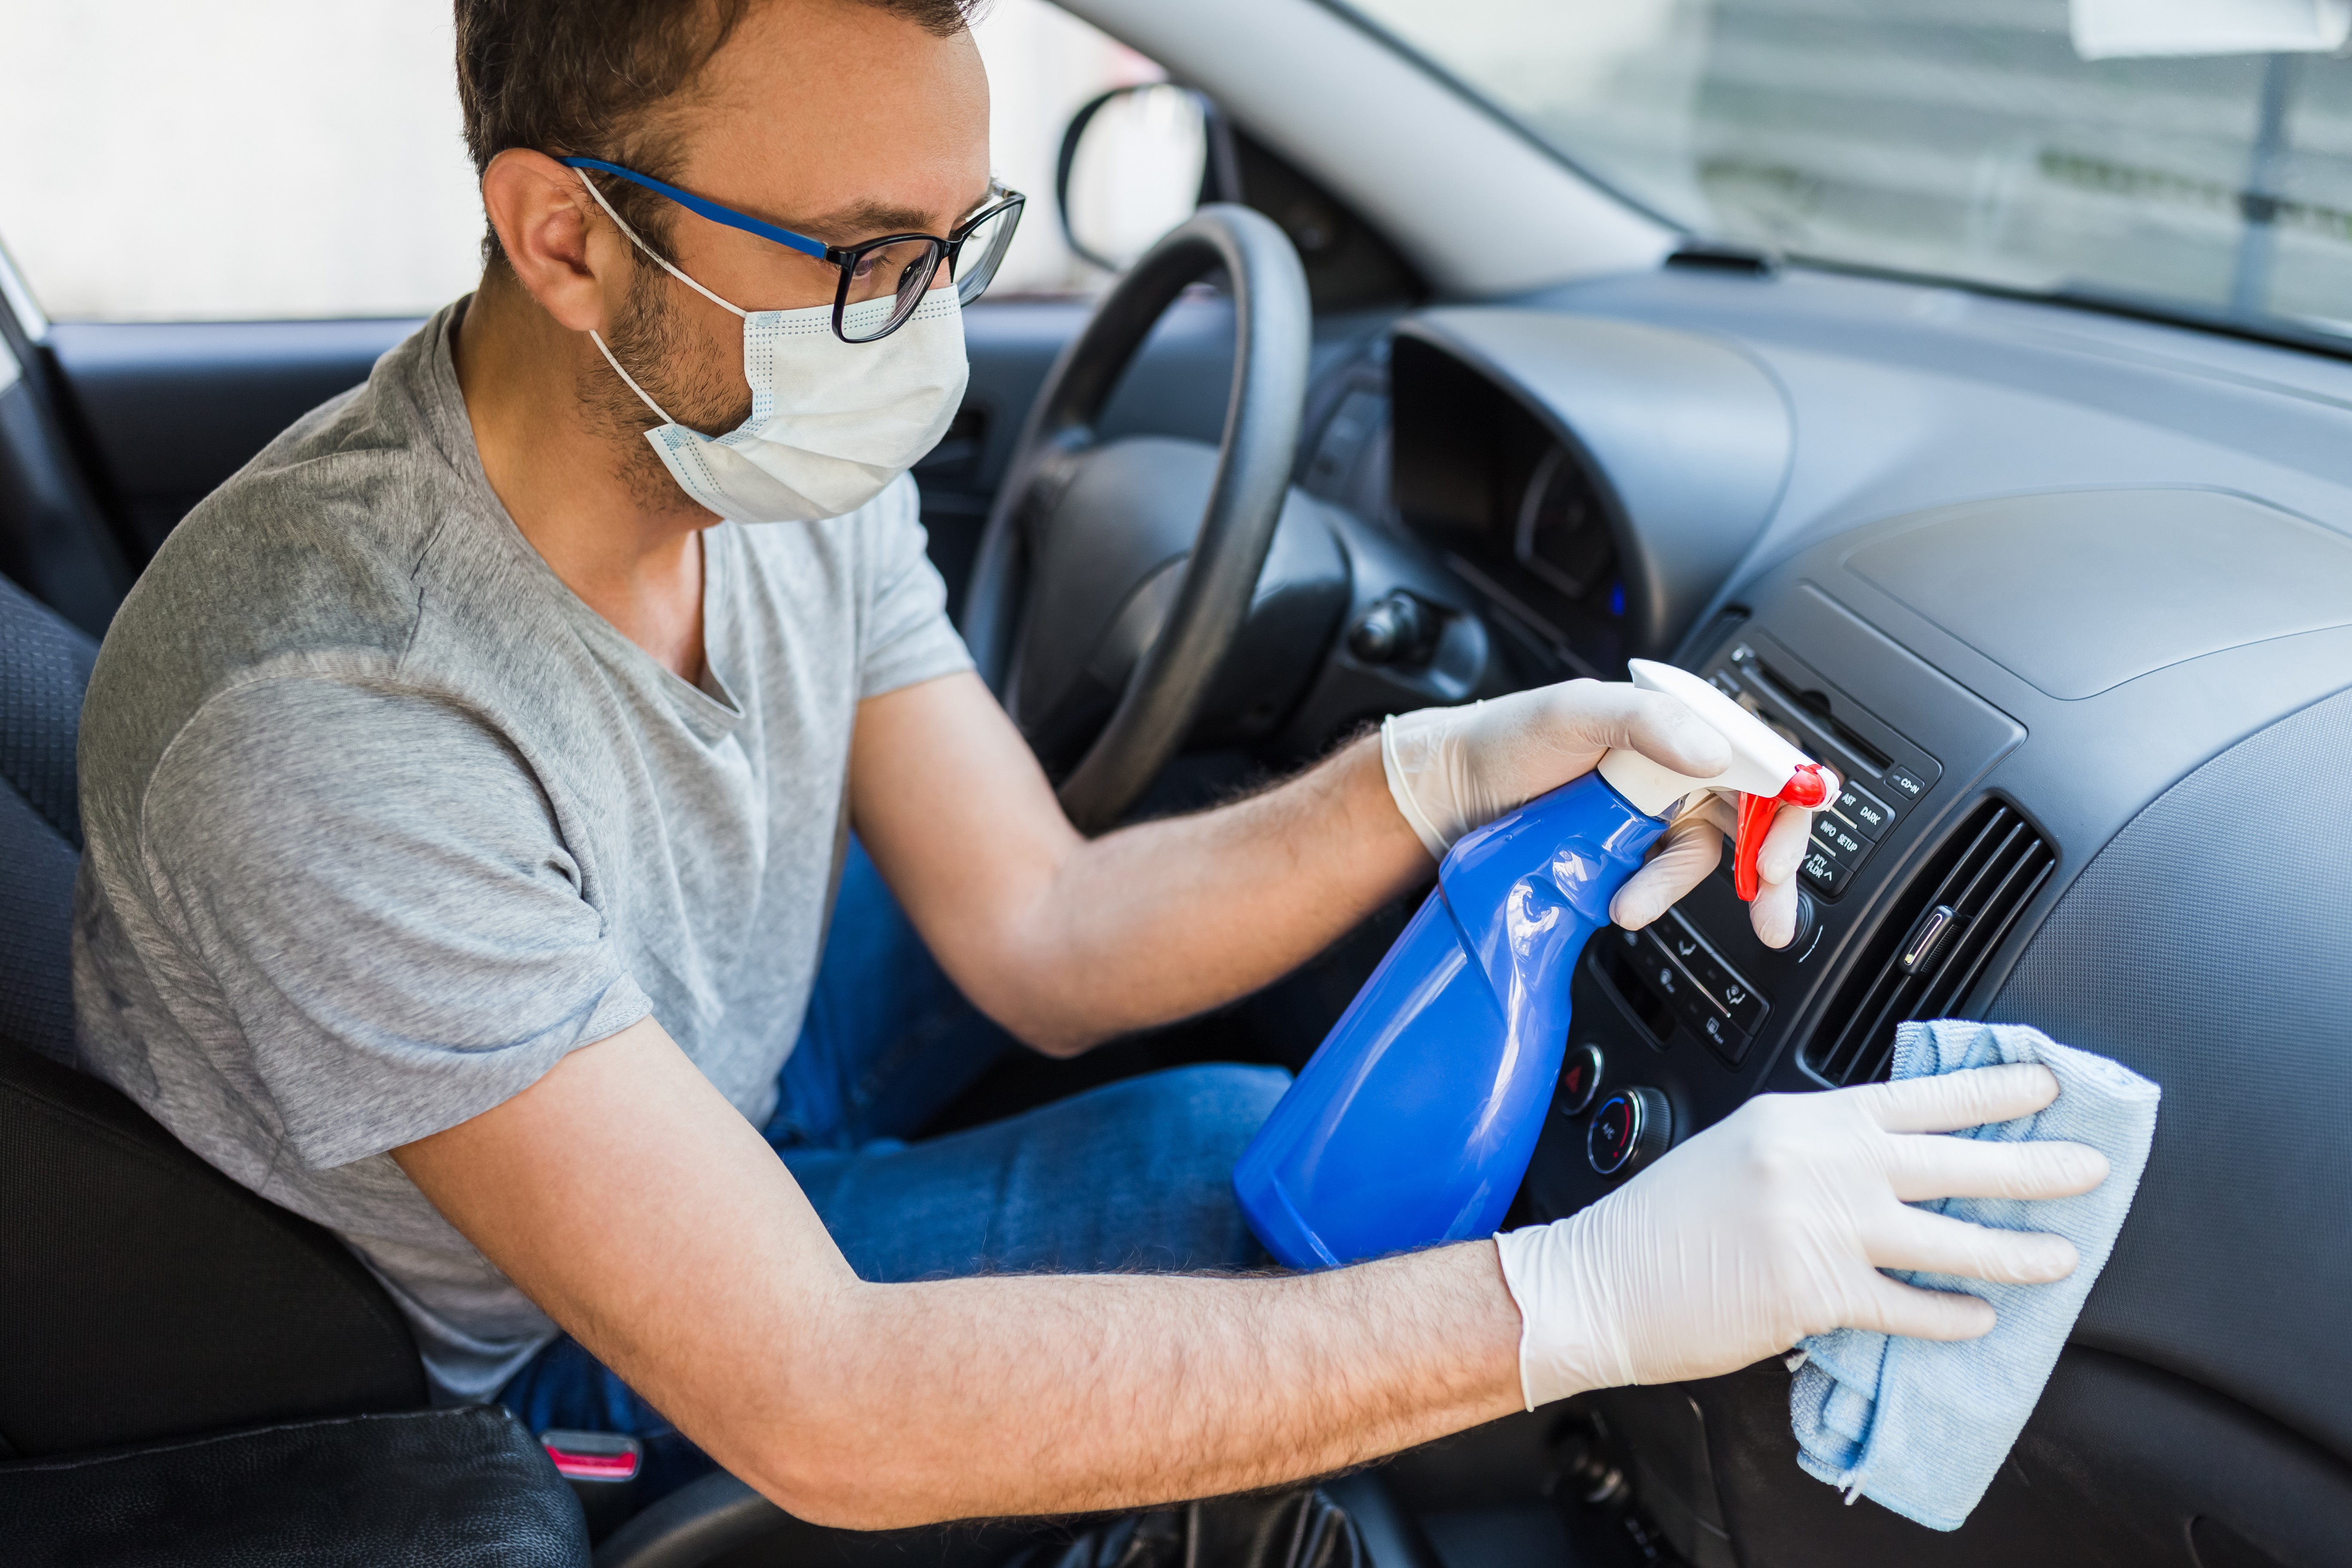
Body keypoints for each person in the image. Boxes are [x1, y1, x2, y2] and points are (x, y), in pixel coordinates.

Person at [71, 0, 2107, 1527]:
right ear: (567, 240)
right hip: (512, 1341)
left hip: (694, 1035)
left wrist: (1457, 765)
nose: (930, 330)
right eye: (867, 255)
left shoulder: (755, 446)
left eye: (961, 239)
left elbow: (1038, 927)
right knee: (1239, 1178)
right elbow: (823, 1401)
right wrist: (1585, 1306)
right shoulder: (331, 722)